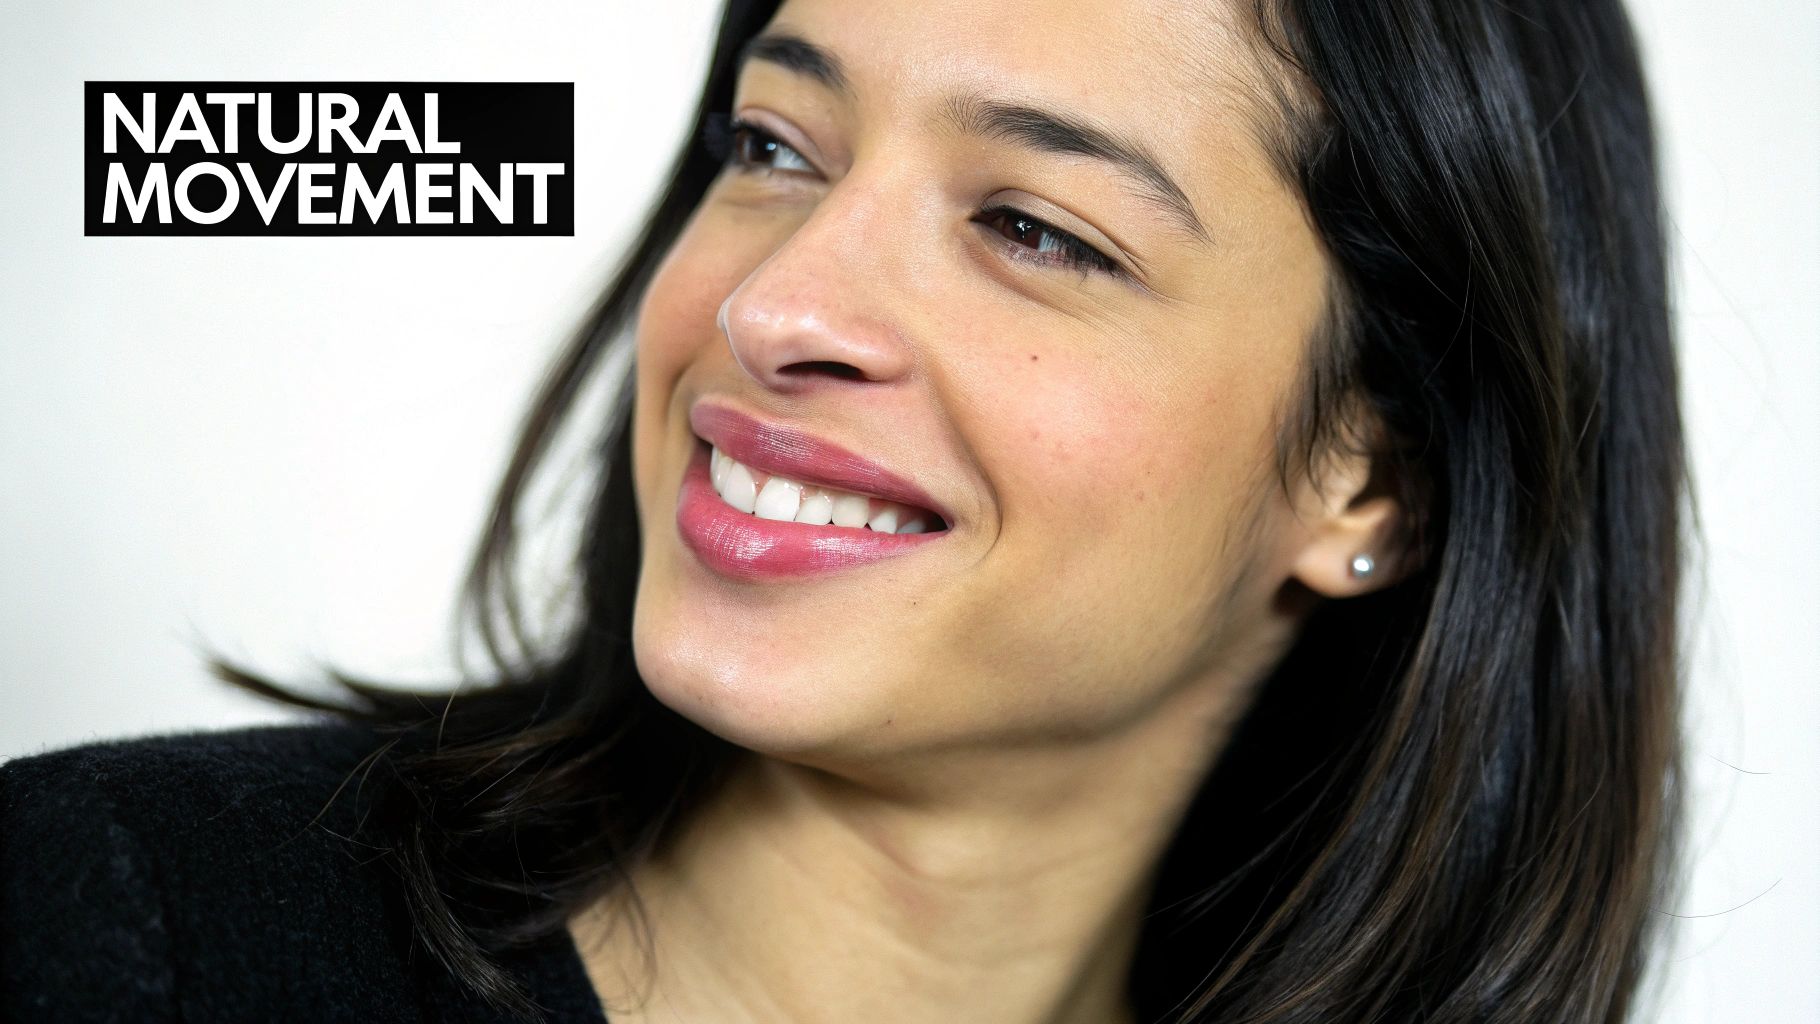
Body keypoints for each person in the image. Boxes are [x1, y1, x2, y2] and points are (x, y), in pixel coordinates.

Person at [0, 0, 1688, 1021]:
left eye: (1034, 228)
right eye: (774, 146)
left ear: (1373, 477)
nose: (776, 305)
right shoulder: (110, 934)